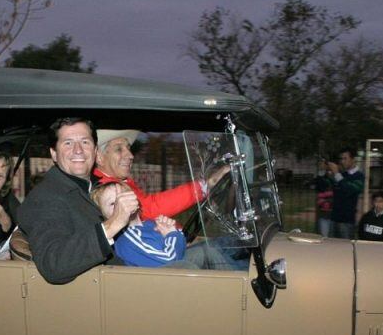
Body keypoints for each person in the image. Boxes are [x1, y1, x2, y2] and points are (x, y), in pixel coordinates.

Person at [17, 117, 139, 284]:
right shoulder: (45, 198)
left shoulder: (95, 189)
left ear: (95, 151)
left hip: (131, 272)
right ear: (54, 154)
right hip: (110, 290)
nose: (78, 150)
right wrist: (112, 225)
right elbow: (53, 264)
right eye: (68, 143)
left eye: (85, 142)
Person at [92, 182, 234, 270]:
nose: (122, 203)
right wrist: (171, 234)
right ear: (106, 218)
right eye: (112, 204)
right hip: (154, 286)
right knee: (186, 267)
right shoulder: (127, 238)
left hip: (168, 272)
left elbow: (180, 245)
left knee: (207, 251)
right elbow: (169, 259)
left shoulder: (149, 224)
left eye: (124, 196)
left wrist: (174, 233)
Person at [92, 129, 229, 220]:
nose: (130, 155)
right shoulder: (108, 189)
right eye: (118, 149)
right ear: (99, 157)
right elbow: (149, 209)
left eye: (128, 148)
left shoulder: (120, 181)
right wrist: (204, 186)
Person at [327, 147, 365, 239]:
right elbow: (329, 187)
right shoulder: (342, 175)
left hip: (347, 221)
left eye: (345, 158)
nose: (342, 161)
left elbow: (348, 190)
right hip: (334, 218)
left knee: (345, 249)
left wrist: (336, 174)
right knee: (331, 248)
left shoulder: (359, 176)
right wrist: (326, 173)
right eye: (341, 159)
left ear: (353, 159)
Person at [314, 161, 334, 237]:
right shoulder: (321, 177)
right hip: (324, 213)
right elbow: (320, 186)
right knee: (324, 236)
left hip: (334, 213)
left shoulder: (334, 176)